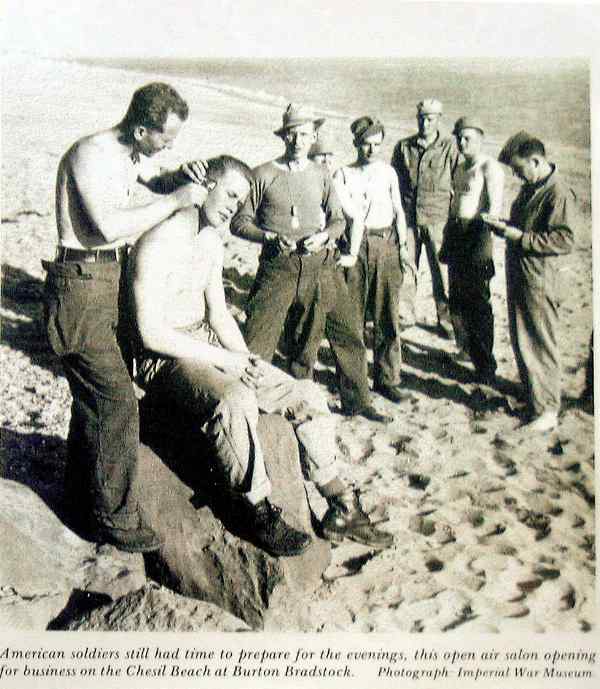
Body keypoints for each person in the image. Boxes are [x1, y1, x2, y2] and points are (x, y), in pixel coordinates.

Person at [128, 155, 394, 557]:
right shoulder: (158, 242)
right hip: (162, 355)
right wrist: (228, 366)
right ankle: (255, 508)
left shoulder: (209, 238)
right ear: (204, 187)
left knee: (305, 394)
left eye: (241, 202)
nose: (235, 208)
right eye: (230, 196)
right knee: (236, 400)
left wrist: (244, 359)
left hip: (203, 341)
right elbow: (150, 334)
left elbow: (217, 312)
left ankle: (340, 502)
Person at [43, 83, 209, 552]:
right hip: (80, 282)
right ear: (140, 129)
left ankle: (81, 499)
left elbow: (144, 183)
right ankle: (113, 518)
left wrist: (176, 175)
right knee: (115, 399)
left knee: (93, 402)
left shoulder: (128, 155)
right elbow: (108, 225)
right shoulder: (90, 154)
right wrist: (177, 200)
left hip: (101, 279)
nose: (168, 147)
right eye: (165, 140)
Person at [231, 103, 389, 423]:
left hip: (322, 264)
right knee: (259, 339)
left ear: (313, 136)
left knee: (347, 332)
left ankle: (357, 401)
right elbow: (239, 222)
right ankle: (245, 405)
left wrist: (325, 237)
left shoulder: (321, 174)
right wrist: (269, 238)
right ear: (284, 137)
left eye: (304, 135)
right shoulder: (263, 174)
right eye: (292, 135)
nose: (298, 141)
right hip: (279, 267)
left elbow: (338, 220)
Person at [486, 132, 576, 432]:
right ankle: (534, 399)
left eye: (519, 167)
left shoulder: (556, 192)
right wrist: (504, 228)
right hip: (524, 276)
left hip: (542, 280)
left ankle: (547, 410)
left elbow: (564, 239)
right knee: (523, 341)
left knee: (540, 343)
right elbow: (526, 228)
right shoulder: (532, 187)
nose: (516, 174)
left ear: (537, 160)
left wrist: (520, 237)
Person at [333, 116, 414, 402]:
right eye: (366, 144)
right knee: (352, 318)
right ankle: (353, 380)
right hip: (355, 246)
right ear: (356, 143)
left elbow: (399, 211)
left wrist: (403, 246)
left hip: (386, 243)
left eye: (377, 144)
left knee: (387, 316)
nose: (372, 150)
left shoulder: (388, 173)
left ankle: (387, 379)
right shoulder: (343, 174)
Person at [440, 116, 505, 383]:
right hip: (457, 233)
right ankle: (465, 350)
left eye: (468, 138)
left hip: (477, 236)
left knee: (478, 302)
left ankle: (485, 365)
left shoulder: (489, 167)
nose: (462, 142)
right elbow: (456, 203)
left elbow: (494, 210)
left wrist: (476, 235)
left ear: (480, 139)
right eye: (459, 137)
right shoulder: (461, 167)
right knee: (456, 298)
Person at [391, 99, 459, 338]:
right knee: (406, 268)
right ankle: (405, 315)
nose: (425, 123)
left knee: (441, 272)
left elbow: (458, 184)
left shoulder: (450, 148)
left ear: (439, 119)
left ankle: (447, 321)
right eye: (421, 118)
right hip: (409, 219)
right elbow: (395, 184)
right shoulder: (403, 147)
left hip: (438, 220)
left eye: (430, 118)